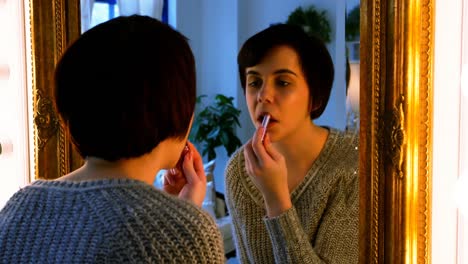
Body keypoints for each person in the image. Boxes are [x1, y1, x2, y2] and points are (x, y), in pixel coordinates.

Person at [0, 15, 225, 263]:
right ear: (177, 109)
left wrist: (176, 210)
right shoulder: (184, 233)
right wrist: (183, 219)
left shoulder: (20, 208)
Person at [225, 23, 358, 263]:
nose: (263, 96)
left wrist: (276, 198)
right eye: (254, 82)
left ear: (315, 97)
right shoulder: (238, 172)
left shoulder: (351, 164)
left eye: (283, 82)